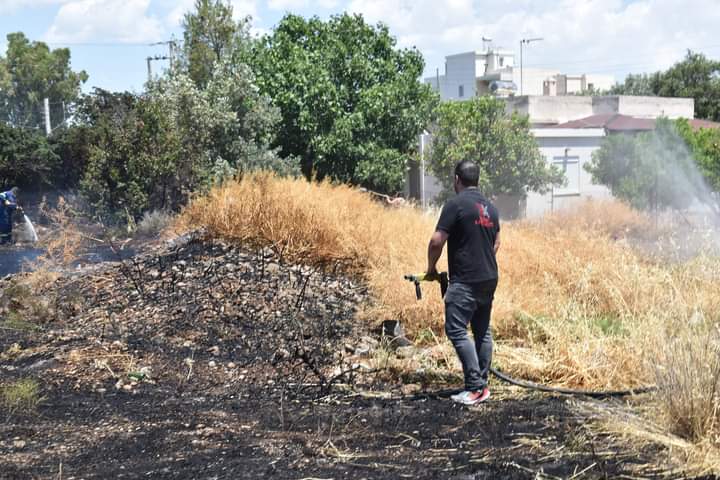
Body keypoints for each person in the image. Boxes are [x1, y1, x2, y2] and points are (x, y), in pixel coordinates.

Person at [426, 161, 501, 405]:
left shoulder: (455, 204)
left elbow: (437, 241)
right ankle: (482, 385)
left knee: (456, 329)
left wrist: (431, 268)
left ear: (457, 179)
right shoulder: (491, 207)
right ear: (477, 179)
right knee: (481, 331)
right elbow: (496, 242)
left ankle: (475, 387)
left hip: (466, 280)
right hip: (489, 278)